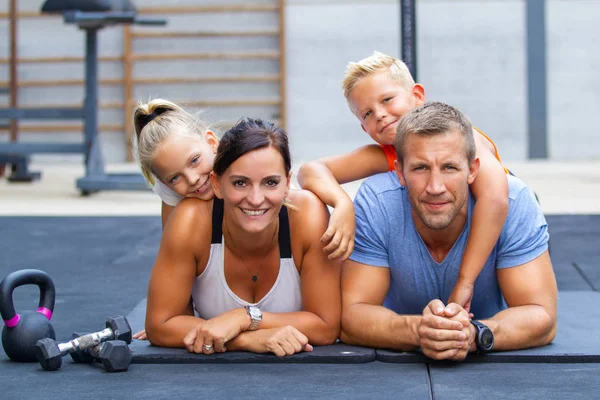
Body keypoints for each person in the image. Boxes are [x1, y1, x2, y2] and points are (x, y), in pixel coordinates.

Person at [340, 101, 557, 361]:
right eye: (420, 168)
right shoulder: (377, 201)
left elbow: (542, 317)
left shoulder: (515, 200)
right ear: (399, 172)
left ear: (473, 170)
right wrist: (419, 330)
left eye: (449, 168)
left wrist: (476, 335)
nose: (435, 187)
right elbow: (351, 316)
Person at [297, 51, 509, 311]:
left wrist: (465, 281)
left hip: (500, 228)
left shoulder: (457, 137)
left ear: (417, 96)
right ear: (364, 128)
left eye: (387, 100)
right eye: (367, 114)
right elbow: (310, 170)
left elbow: (497, 199)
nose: (380, 115)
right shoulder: (388, 153)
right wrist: (342, 204)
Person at [144, 118, 341, 356]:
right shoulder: (190, 220)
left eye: (271, 182)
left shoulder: (308, 214)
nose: (256, 199)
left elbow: (326, 327)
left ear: (288, 183)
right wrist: (248, 340)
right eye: (240, 183)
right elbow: (160, 326)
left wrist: (244, 318)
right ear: (216, 183)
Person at [133, 99, 219, 228]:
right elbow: (171, 242)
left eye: (194, 160)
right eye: (175, 178)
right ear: (164, 184)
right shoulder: (172, 195)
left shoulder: (241, 166)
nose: (192, 179)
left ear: (212, 142)